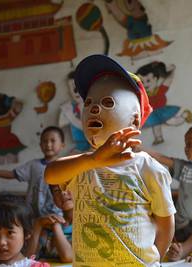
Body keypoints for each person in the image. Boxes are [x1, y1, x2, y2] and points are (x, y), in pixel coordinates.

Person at [45, 54, 176, 266]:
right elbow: (51, 175)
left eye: (108, 102)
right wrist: (94, 159)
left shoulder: (148, 168)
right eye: (89, 103)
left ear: (134, 121)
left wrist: (154, 261)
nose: (95, 109)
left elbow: (166, 224)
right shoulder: (83, 163)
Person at [0, 126, 65, 218]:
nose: (48, 144)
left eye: (53, 141)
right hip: (32, 215)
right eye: (45, 141)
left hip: (56, 216)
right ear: (40, 145)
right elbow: (11, 174)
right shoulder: (33, 165)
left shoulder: (66, 166)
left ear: (62, 145)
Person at [136, 61, 192, 145]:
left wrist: (172, 71)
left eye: (148, 80)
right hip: (152, 113)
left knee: (170, 121)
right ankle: (159, 138)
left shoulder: (159, 90)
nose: (145, 84)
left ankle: (184, 116)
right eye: (142, 82)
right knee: (156, 124)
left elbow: (168, 81)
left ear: (155, 79)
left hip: (162, 110)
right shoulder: (142, 94)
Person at [26, 184, 73, 263]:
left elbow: (67, 257)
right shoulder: (46, 226)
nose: (63, 193)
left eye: (67, 187)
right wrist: (38, 224)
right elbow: (28, 259)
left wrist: (56, 226)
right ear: (53, 199)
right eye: (56, 190)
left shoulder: (88, 225)